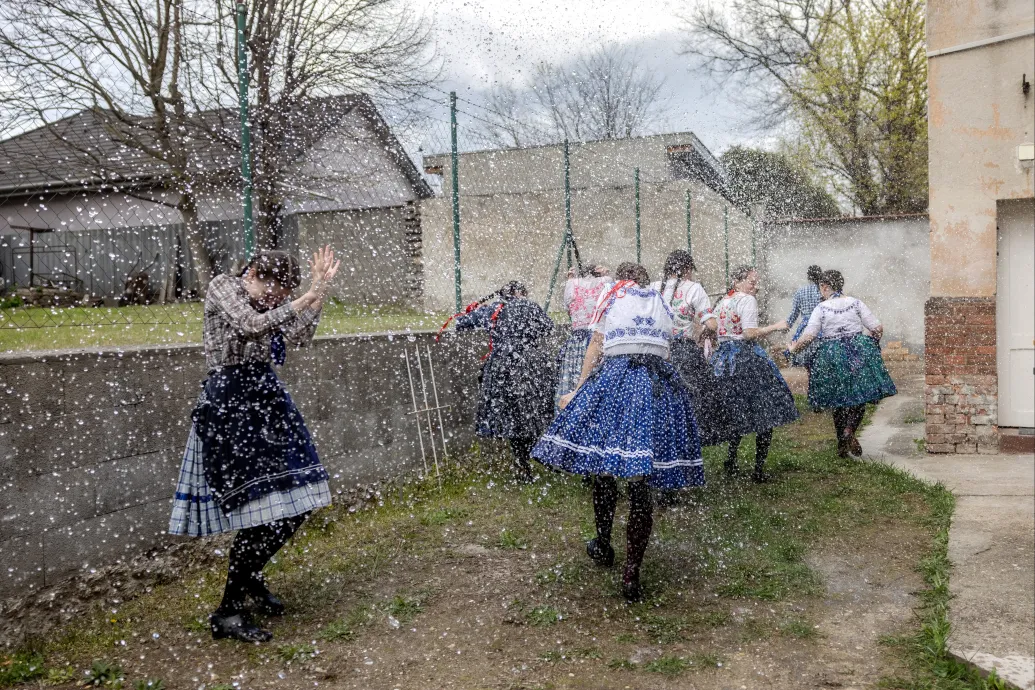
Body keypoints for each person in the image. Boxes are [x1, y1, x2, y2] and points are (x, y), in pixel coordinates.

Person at [168, 247, 341, 643]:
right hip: (229, 404)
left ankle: (249, 577)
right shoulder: (223, 287)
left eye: (281, 291)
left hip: (267, 400)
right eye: (269, 285)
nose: (273, 295)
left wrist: (320, 291)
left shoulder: (275, 301)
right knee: (257, 511)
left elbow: (300, 334)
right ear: (251, 271)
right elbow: (249, 324)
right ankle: (227, 612)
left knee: (297, 504)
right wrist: (304, 296)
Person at [532, 262, 705, 601]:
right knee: (641, 482)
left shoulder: (612, 294)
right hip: (657, 385)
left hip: (617, 383)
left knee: (605, 466)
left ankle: (603, 542)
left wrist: (579, 389)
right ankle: (631, 573)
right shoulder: (660, 300)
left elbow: (596, 343)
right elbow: (669, 344)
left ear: (623, 280)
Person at [787, 270, 897, 457]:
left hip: (831, 355)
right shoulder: (855, 303)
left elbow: (809, 337)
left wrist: (793, 349)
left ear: (824, 286)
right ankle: (850, 431)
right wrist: (872, 341)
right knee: (859, 397)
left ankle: (841, 445)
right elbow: (877, 328)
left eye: (820, 288)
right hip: (858, 352)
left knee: (837, 399)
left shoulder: (821, 308)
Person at [706, 265, 799, 482]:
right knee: (765, 412)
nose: (755, 286)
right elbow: (749, 334)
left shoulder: (723, 301)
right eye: (751, 281)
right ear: (738, 282)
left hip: (723, 362)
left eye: (756, 282)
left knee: (736, 411)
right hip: (746, 359)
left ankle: (730, 460)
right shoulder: (747, 300)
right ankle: (758, 469)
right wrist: (776, 326)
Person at [455, 281, 556, 482]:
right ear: (520, 293)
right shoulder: (529, 306)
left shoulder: (495, 308)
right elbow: (548, 328)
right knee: (533, 413)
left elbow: (461, 323)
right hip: (530, 366)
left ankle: (522, 464)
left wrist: (478, 311)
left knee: (511, 417)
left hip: (501, 368)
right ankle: (533, 455)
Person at [650, 249, 723, 442]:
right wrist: (708, 332)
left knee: (660, 394)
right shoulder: (694, 288)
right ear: (687, 268)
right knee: (695, 393)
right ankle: (692, 436)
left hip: (656, 350)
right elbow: (712, 324)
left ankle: (662, 435)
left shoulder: (653, 287)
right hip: (682, 350)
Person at [556, 262, 611, 408]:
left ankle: (570, 410)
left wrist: (570, 278)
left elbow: (568, 307)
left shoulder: (572, 284)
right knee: (597, 377)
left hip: (578, 339)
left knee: (573, 376)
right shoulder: (606, 282)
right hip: (598, 337)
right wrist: (606, 275)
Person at [779, 265, 824, 368]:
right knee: (821, 360)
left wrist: (787, 326)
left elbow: (794, 313)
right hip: (821, 328)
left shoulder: (800, 291)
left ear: (808, 277)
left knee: (807, 360)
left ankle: (810, 379)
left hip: (806, 328)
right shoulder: (823, 291)